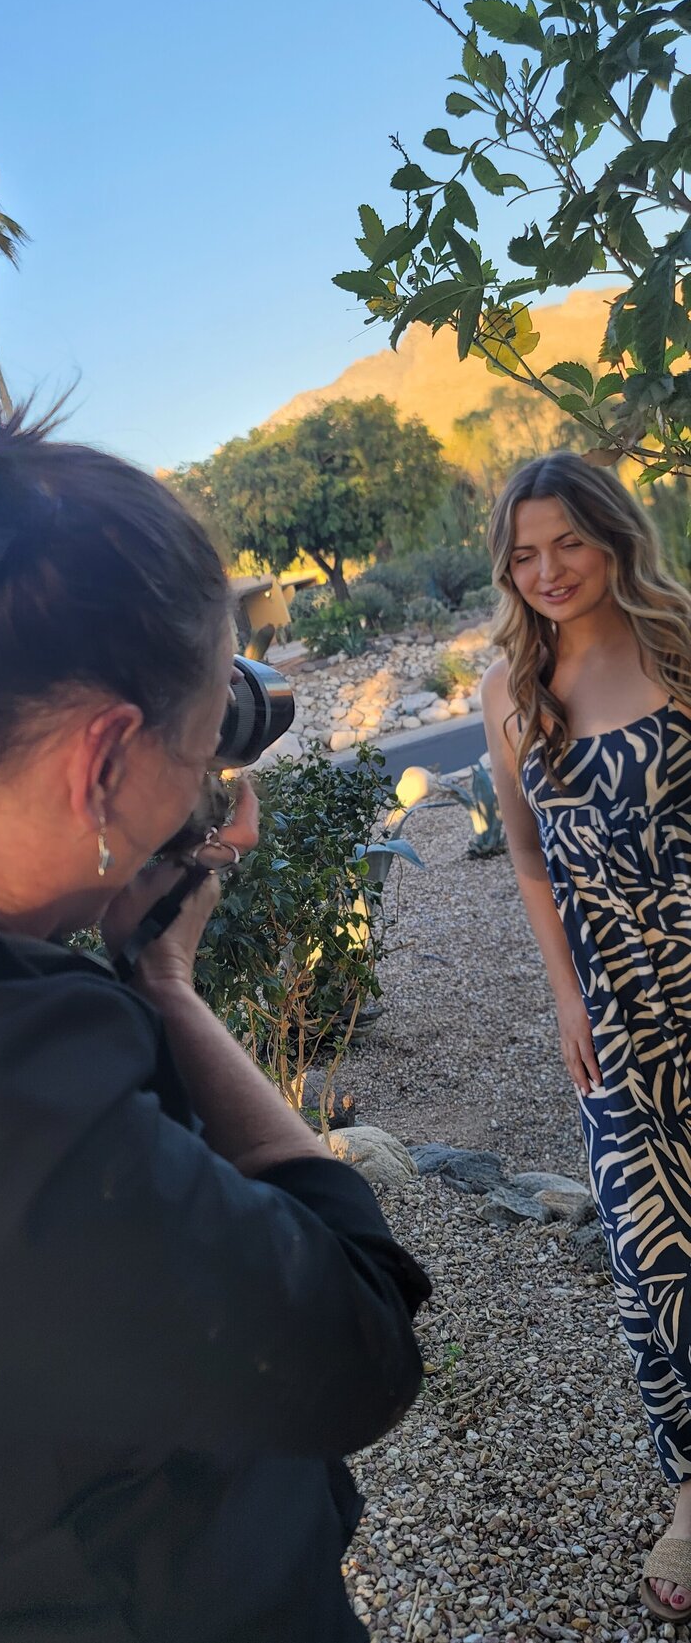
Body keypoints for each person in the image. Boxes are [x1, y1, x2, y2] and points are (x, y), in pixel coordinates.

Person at [0, 318, 430, 1642]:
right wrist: (167, 985)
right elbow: (357, 1343)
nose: (202, 795)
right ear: (101, 764)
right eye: (200, 754)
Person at [481, 450, 691, 1623]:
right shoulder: (506, 689)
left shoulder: (676, 643)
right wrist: (562, 990)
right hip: (610, 1001)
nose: (546, 570)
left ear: (611, 537)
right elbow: (521, 849)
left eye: (566, 541)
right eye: (523, 553)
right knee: (649, 1259)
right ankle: (689, 1493)